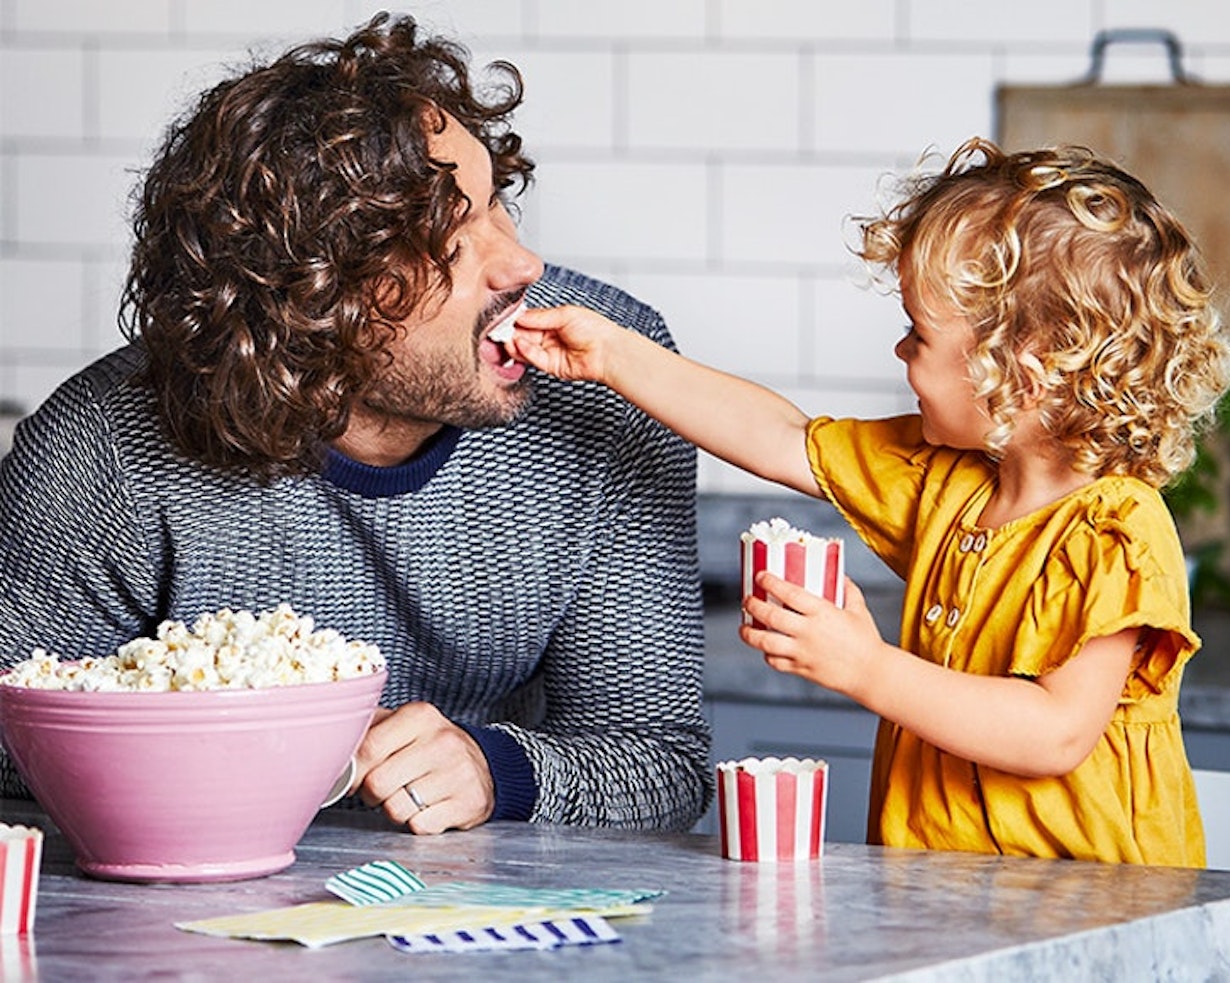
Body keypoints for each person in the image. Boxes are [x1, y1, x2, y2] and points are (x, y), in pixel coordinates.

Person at [0, 13, 711, 835]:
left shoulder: (615, 379)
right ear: (310, 290)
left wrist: (497, 769)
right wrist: (243, 742)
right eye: (447, 233)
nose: (523, 266)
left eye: (496, 206)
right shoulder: (105, 444)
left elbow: (662, 760)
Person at [512, 138, 1230, 866]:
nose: (900, 353)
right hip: (942, 908)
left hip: (1095, 922)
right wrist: (613, 355)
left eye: (917, 334)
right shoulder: (948, 483)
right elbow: (784, 437)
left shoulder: (1117, 530)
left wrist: (867, 667)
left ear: (1025, 372)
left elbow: (1055, 732)